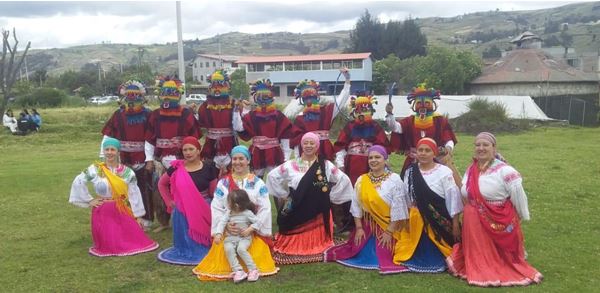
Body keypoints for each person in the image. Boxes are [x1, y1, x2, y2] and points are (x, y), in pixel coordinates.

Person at [447, 132, 542, 287]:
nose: (481, 148)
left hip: (498, 218)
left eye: (485, 145)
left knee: (500, 258)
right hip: (473, 222)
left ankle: (496, 267)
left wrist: (520, 217)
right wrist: (450, 167)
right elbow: (464, 190)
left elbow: (518, 195)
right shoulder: (471, 169)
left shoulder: (505, 171)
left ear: (494, 148)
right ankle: (477, 266)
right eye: (477, 145)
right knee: (478, 253)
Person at [193, 145, 278, 281]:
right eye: (234, 159)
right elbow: (217, 207)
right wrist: (225, 226)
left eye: (241, 159)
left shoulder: (258, 183)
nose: (237, 162)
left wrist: (252, 228)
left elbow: (265, 208)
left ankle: (251, 269)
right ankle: (237, 270)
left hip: (251, 231)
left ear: (248, 160)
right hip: (229, 231)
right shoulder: (224, 183)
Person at [267, 132, 353, 264]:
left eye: (312, 143)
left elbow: (343, 179)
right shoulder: (290, 164)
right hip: (295, 206)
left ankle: (316, 242)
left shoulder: (325, 165)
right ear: (301, 145)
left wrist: (332, 197)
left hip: (318, 210)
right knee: (285, 224)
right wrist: (283, 195)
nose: (308, 146)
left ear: (317, 146)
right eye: (305, 143)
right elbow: (272, 176)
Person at [324, 145, 410, 274]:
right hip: (368, 225)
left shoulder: (395, 180)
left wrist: (389, 232)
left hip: (391, 227)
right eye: (371, 158)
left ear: (385, 160)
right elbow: (356, 206)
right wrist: (359, 228)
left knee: (384, 252)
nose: (373, 160)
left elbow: (399, 209)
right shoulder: (361, 180)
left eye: (378, 157)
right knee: (358, 248)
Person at [68, 138, 159, 257]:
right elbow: (78, 181)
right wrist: (89, 200)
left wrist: (137, 215)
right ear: (103, 151)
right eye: (107, 149)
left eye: (113, 149)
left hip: (121, 208)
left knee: (129, 239)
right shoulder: (96, 169)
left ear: (118, 152)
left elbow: (134, 193)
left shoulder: (127, 172)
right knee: (109, 240)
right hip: (103, 210)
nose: (109, 152)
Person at [394, 138, 463, 272]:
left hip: (439, 219)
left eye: (427, 150)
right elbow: (407, 196)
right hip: (417, 218)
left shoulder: (444, 172)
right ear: (416, 153)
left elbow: (453, 198)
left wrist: (455, 224)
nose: (423, 153)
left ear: (434, 153)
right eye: (420, 150)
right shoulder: (410, 171)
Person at [145, 77, 202, 232]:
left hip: (182, 159)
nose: (168, 97)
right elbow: (150, 139)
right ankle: (164, 222)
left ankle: (189, 218)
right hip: (160, 160)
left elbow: (194, 138)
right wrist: (149, 160)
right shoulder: (155, 115)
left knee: (186, 189)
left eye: (172, 93)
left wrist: (192, 157)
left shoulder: (186, 114)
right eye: (165, 93)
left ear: (179, 94)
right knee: (159, 190)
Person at [156, 136, 219, 265]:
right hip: (182, 210)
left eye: (191, 149)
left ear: (198, 151)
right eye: (185, 150)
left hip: (204, 208)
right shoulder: (176, 168)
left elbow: (214, 192)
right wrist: (169, 201)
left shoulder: (209, 168)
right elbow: (162, 184)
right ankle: (185, 248)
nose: (188, 153)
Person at [101, 80, 154, 230]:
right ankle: (125, 216)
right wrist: (104, 156)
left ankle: (147, 218)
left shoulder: (148, 114)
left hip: (143, 159)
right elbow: (108, 136)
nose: (132, 99)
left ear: (142, 96)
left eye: (135, 96)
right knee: (121, 189)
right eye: (129, 95)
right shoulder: (118, 115)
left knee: (145, 188)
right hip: (123, 159)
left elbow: (151, 138)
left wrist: (150, 159)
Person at [386, 84, 457, 177]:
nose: (423, 106)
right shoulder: (410, 120)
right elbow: (395, 127)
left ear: (433, 104)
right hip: (413, 162)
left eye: (427, 103)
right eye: (419, 103)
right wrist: (389, 114)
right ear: (414, 105)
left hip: (437, 161)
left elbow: (449, 139)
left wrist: (448, 149)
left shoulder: (440, 120)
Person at [235, 79, 297, 178]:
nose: (263, 100)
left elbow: (286, 135)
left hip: (274, 153)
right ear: (256, 98)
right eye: (260, 97)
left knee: (276, 179)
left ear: (271, 97)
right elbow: (239, 128)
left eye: (266, 97)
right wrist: (235, 112)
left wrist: (286, 156)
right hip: (257, 153)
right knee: (255, 180)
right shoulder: (251, 115)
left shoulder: (278, 115)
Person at [290, 68, 352, 161]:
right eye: (306, 98)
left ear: (317, 97)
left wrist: (347, 80)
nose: (309, 101)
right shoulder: (300, 117)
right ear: (302, 100)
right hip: (307, 153)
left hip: (325, 152)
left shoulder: (327, 111)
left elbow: (342, 99)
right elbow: (296, 140)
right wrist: (297, 159)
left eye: (312, 97)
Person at [334, 93, 389, 185]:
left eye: (364, 110)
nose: (361, 114)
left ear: (370, 111)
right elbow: (341, 147)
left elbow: (382, 147)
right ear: (354, 112)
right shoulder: (350, 126)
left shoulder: (375, 127)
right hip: (351, 165)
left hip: (371, 164)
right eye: (358, 111)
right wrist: (340, 165)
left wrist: (384, 164)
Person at [197, 70, 241, 175]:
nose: (217, 88)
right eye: (213, 85)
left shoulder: (233, 104)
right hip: (210, 145)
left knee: (232, 174)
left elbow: (238, 127)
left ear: (227, 86)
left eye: (220, 85)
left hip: (229, 143)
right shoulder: (205, 106)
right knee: (210, 173)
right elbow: (200, 124)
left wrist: (236, 111)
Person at [214, 189, 261, 283]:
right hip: (230, 238)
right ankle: (238, 270)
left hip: (244, 238)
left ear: (236, 205)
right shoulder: (229, 213)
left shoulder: (247, 213)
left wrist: (250, 229)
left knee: (241, 249)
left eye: (229, 202)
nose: (227, 204)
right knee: (228, 249)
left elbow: (258, 222)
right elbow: (222, 223)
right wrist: (218, 234)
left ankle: (253, 269)